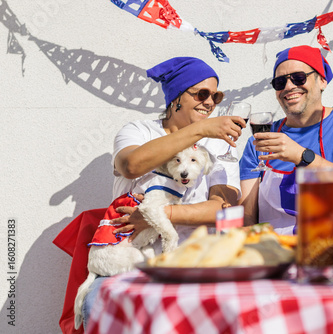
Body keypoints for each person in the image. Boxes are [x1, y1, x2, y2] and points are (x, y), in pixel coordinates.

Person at [79, 56, 244, 330]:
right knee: (96, 302)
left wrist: (161, 214)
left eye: (216, 95)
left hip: (192, 262)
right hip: (129, 262)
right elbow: (131, 166)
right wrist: (199, 130)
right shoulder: (138, 131)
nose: (210, 102)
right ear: (176, 97)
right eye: (202, 93)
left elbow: (224, 209)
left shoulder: (219, 144)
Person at [239, 45, 333, 234]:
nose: (289, 86)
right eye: (280, 82)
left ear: (322, 80)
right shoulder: (260, 141)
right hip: (276, 252)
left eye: (299, 78)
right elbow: (247, 216)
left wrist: (302, 156)